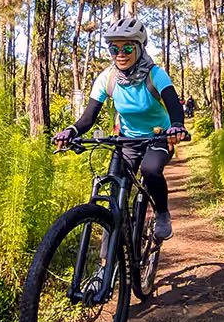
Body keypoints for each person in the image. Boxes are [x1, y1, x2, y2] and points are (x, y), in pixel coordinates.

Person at [53, 16, 187, 241]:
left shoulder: (155, 74)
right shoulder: (108, 78)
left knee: (150, 170)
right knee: (113, 189)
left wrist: (176, 127)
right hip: (127, 140)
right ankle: (109, 257)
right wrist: (71, 131)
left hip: (158, 138)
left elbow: (174, 105)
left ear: (140, 48)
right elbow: (89, 116)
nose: (120, 54)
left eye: (127, 48)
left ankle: (162, 214)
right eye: (114, 49)